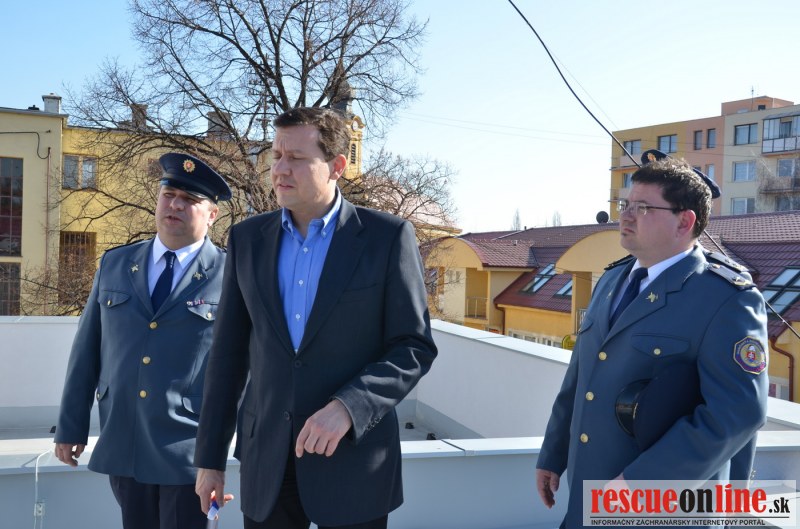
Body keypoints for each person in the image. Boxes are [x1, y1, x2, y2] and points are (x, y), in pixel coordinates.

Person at [194, 106, 438, 529]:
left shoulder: (387, 237)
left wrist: (348, 407)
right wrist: (210, 460)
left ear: (336, 166)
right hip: (267, 464)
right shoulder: (248, 239)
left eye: (297, 158)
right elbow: (228, 356)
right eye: (276, 156)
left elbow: (413, 347)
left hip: (355, 463)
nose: (279, 169)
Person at [535, 154, 769, 528]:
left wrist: (641, 484)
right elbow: (581, 377)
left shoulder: (725, 298)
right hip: (586, 498)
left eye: (642, 208)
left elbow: (737, 413)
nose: (625, 216)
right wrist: (554, 453)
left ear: (684, 222)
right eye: (624, 205)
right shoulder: (611, 280)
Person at [54, 153, 232, 529]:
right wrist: (71, 426)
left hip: (189, 449)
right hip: (125, 439)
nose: (175, 205)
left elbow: (243, 367)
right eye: (169, 195)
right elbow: (87, 350)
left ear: (212, 215)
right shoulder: (115, 263)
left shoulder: (231, 273)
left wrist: (221, 453)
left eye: (190, 199)